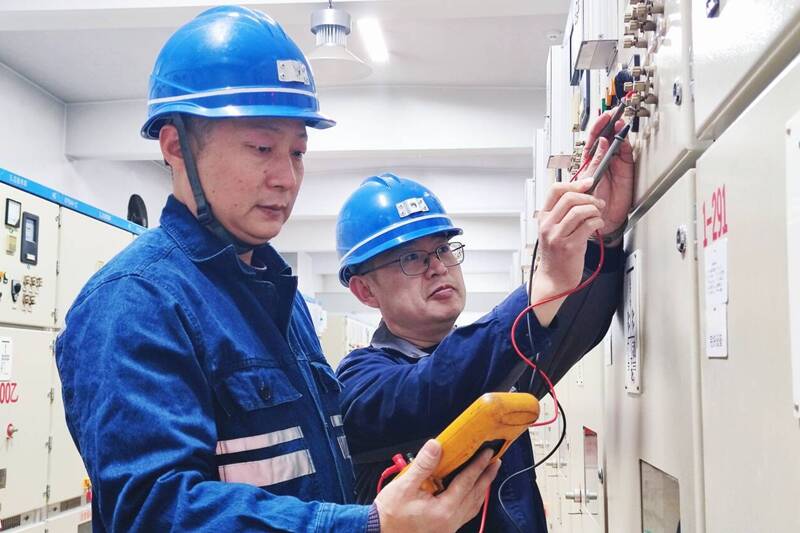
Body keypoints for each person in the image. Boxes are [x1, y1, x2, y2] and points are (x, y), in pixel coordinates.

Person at [56, 6, 499, 532]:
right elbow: (154, 512)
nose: (286, 177)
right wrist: (368, 526)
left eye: (297, 153)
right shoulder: (135, 302)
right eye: (262, 148)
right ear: (176, 146)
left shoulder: (280, 302)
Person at [334, 112, 634, 532]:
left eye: (443, 249)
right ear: (365, 291)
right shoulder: (359, 384)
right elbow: (436, 387)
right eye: (412, 258)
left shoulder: (494, 360)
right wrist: (543, 284)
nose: (438, 267)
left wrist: (603, 234)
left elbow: (574, 329)